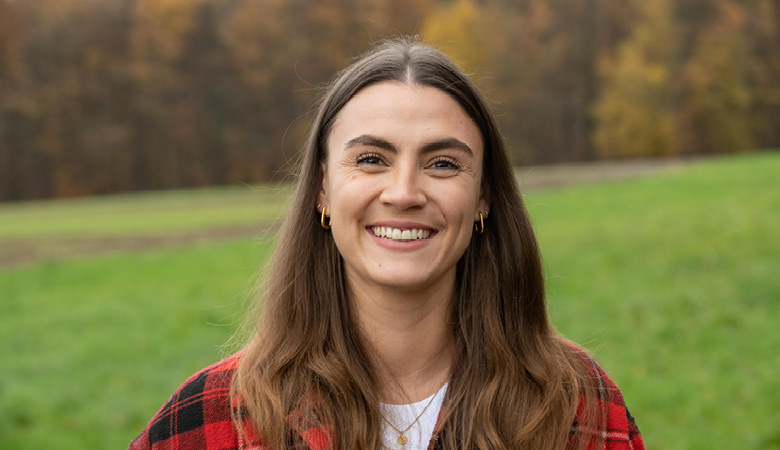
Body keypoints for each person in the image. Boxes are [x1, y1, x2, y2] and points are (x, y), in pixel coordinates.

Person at [129, 37, 644, 450]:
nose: (403, 194)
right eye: (372, 159)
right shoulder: (212, 416)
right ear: (323, 189)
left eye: (442, 163)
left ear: (484, 196)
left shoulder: (576, 401)